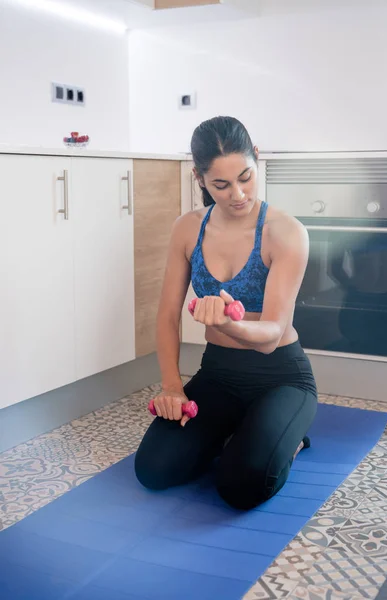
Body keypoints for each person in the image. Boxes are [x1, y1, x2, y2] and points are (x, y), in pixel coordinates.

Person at [134, 116, 318, 511]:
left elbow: (271, 335)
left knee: (241, 487)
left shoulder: (285, 232)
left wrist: (228, 322)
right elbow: (167, 315)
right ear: (200, 178)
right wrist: (171, 386)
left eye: (245, 177)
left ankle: (289, 439)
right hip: (218, 375)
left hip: (282, 379)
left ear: (256, 158)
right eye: (221, 184)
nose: (238, 194)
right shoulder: (188, 229)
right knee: (154, 470)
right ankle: (238, 429)